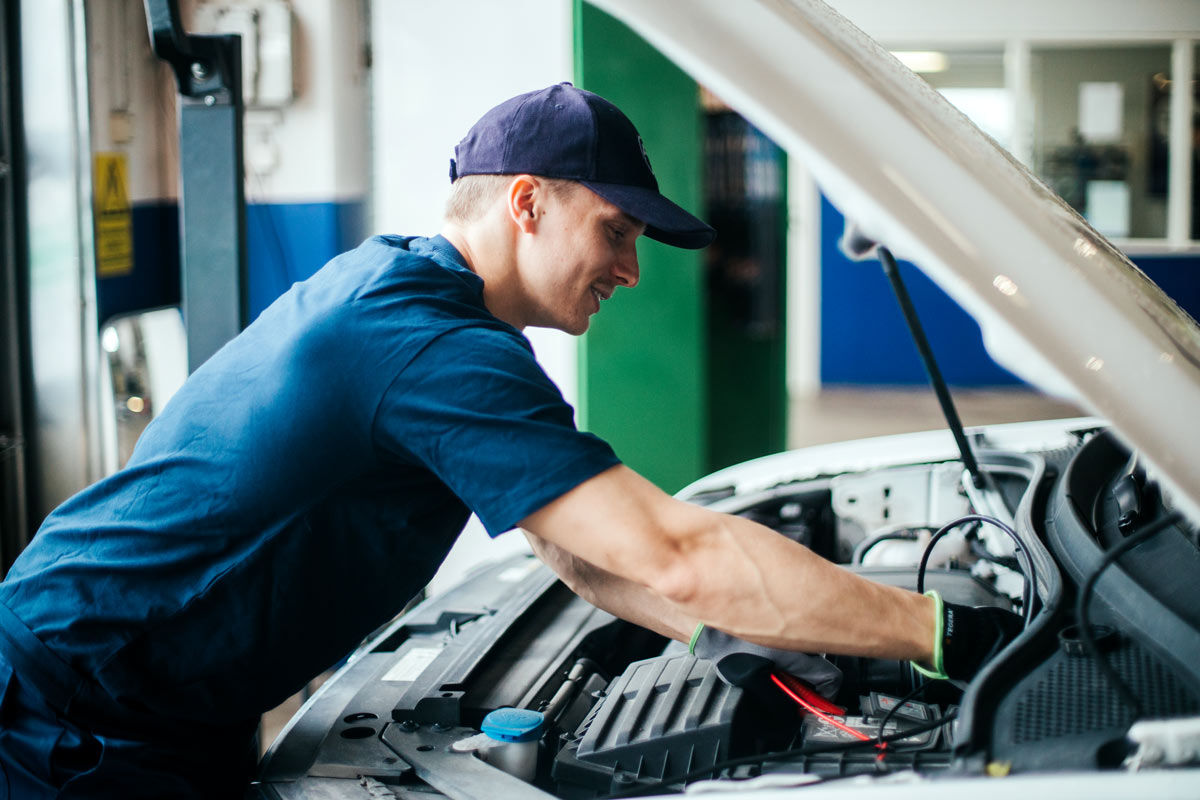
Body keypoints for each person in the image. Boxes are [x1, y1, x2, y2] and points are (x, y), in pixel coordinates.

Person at [0, 83, 1017, 798]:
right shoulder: (430, 343)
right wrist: (937, 630)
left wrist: (737, 639)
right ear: (528, 202)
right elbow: (676, 550)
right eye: (617, 230)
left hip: (158, 692)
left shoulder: (409, 290)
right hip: (78, 713)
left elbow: (576, 550)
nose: (630, 267)